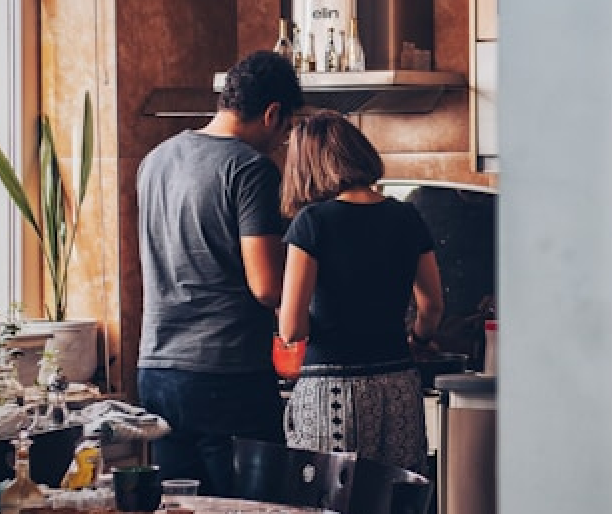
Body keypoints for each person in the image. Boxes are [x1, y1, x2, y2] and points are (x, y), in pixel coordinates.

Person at [136, 50, 303, 495]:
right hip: (225, 374)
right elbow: (267, 287)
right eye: (286, 130)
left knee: (182, 506)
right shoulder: (250, 169)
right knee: (255, 507)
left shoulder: (155, 160)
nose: (282, 141)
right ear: (272, 114)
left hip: (156, 369)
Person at [277, 111, 445, 473]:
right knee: (396, 500)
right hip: (399, 384)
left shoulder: (313, 222)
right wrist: (417, 339)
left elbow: (292, 329)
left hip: (332, 393)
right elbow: (431, 305)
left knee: (329, 503)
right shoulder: (407, 217)